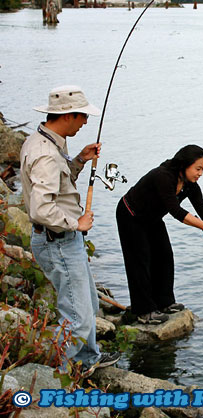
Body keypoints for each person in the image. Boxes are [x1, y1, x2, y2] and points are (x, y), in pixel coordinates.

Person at [20, 85, 120, 375]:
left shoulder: (49, 141)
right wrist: (77, 223)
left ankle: (87, 360)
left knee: (87, 302)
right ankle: (60, 375)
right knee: (77, 315)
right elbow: (41, 208)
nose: (86, 122)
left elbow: (59, 187)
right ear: (68, 116)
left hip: (64, 240)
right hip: (58, 241)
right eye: (82, 117)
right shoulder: (46, 154)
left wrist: (79, 160)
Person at [116, 145, 203, 324]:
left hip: (152, 217)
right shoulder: (163, 176)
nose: (200, 173)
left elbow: (202, 208)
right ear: (184, 165)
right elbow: (176, 211)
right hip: (131, 215)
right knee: (140, 260)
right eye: (198, 169)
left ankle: (164, 302)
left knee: (165, 256)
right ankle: (144, 311)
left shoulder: (190, 185)